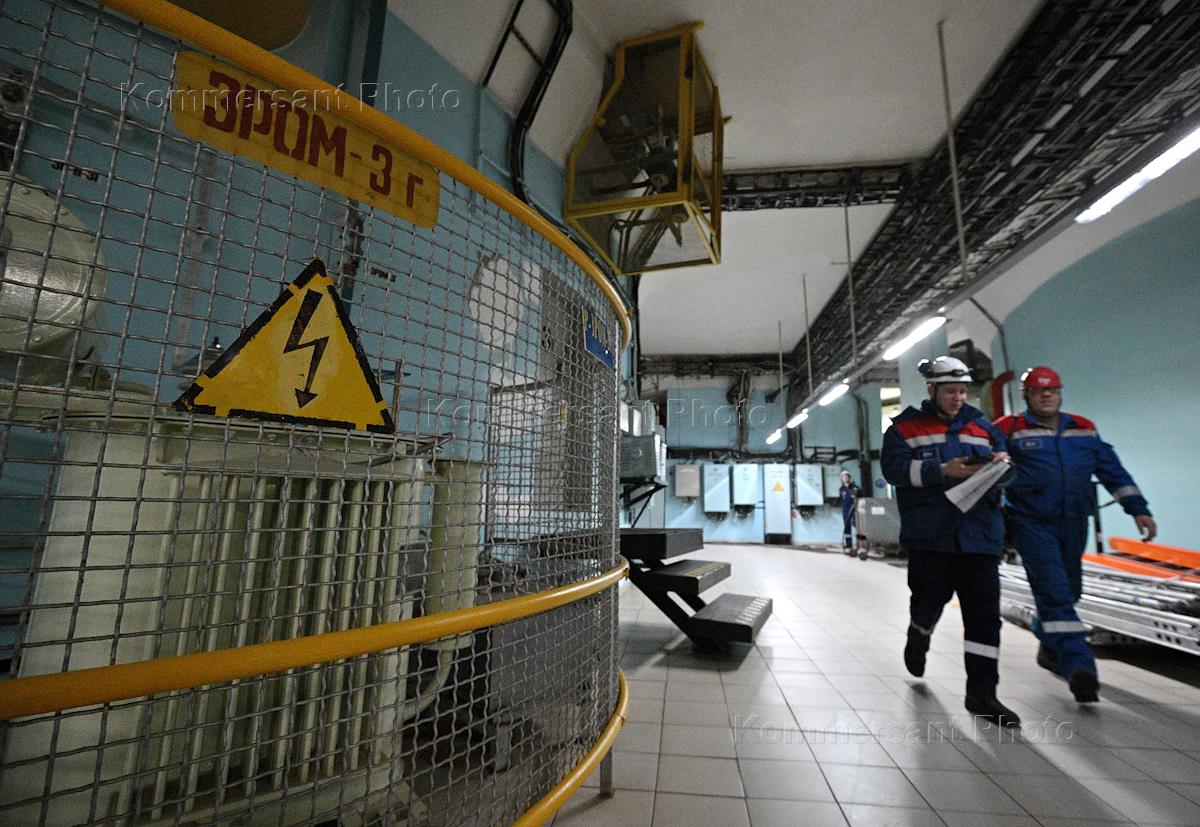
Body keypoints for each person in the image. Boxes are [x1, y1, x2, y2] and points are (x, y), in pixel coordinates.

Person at [994, 365, 1156, 704]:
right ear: (1026, 396)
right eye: (1039, 391)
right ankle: (1080, 667)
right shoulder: (1010, 429)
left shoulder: (1083, 428)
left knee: (1069, 591)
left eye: (1052, 390)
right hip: (1030, 522)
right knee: (1055, 592)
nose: (1046, 395)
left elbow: (1112, 471)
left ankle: (1049, 644)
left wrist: (1138, 509)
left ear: (1060, 393)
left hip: (1073, 521)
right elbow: (987, 467)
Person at [881, 355, 1021, 727]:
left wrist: (1001, 464)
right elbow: (894, 471)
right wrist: (940, 469)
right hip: (931, 538)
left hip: (979, 538)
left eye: (962, 391)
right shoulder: (904, 429)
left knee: (984, 619)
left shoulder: (984, 428)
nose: (958, 398)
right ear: (932, 390)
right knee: (928, 602)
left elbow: (1009, 475)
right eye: (950, 391)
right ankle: (919, 633)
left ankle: (982, 693)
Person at [838, 471, 864, 557]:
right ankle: (848, 544)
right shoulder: (841, 489)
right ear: (842, 479)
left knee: (858, 526)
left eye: (847, 477)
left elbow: (861, 497)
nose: (845, 478)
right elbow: (841, 500)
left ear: (849, 478)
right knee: (847, 528)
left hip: (855, 510)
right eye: (844, 477)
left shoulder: (855, 488)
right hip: (845, 510)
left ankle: (860, 544)